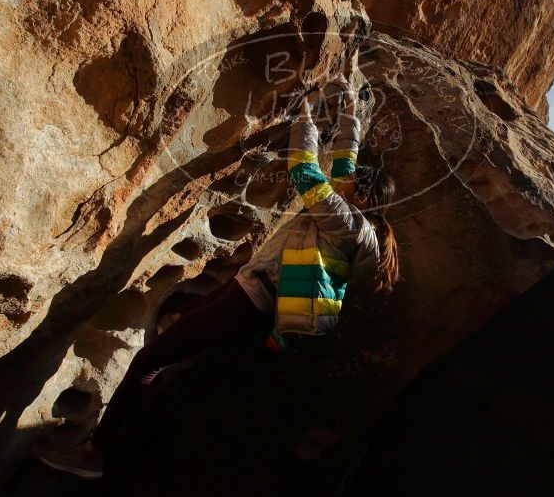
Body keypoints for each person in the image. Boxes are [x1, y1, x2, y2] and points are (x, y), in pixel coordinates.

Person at [39, 72, 400, 479]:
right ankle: (145, 393)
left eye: (350, 183)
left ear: (362, 197)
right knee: (174, 326)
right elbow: (345, 163)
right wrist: (349, 110)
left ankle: (94, 454)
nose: (344, 179)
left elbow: (305, 172)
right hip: (248, 288)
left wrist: (305, 118)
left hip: (251, 302)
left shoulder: (346, 221)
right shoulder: (353, 213)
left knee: (149, 361)